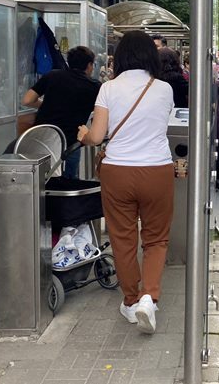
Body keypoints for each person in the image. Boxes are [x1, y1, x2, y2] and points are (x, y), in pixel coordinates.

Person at [77, 31, 174, 335]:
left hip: (117, 170)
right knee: (156, 239)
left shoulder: (108, 88)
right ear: (150, 56)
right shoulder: (164, 89)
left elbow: (96, 136)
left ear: (120, 57)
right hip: (157, 169)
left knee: (123, 237)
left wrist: (83, 134)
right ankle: (150, 298)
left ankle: (131, 302)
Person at [22, 46, 101, 178]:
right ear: (89, 65)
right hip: (69, 144)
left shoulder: (52, 75)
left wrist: (46, 104)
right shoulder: (94, 86)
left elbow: (27, 100)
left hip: (41, 140)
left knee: (39, 183)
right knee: (67, 184)